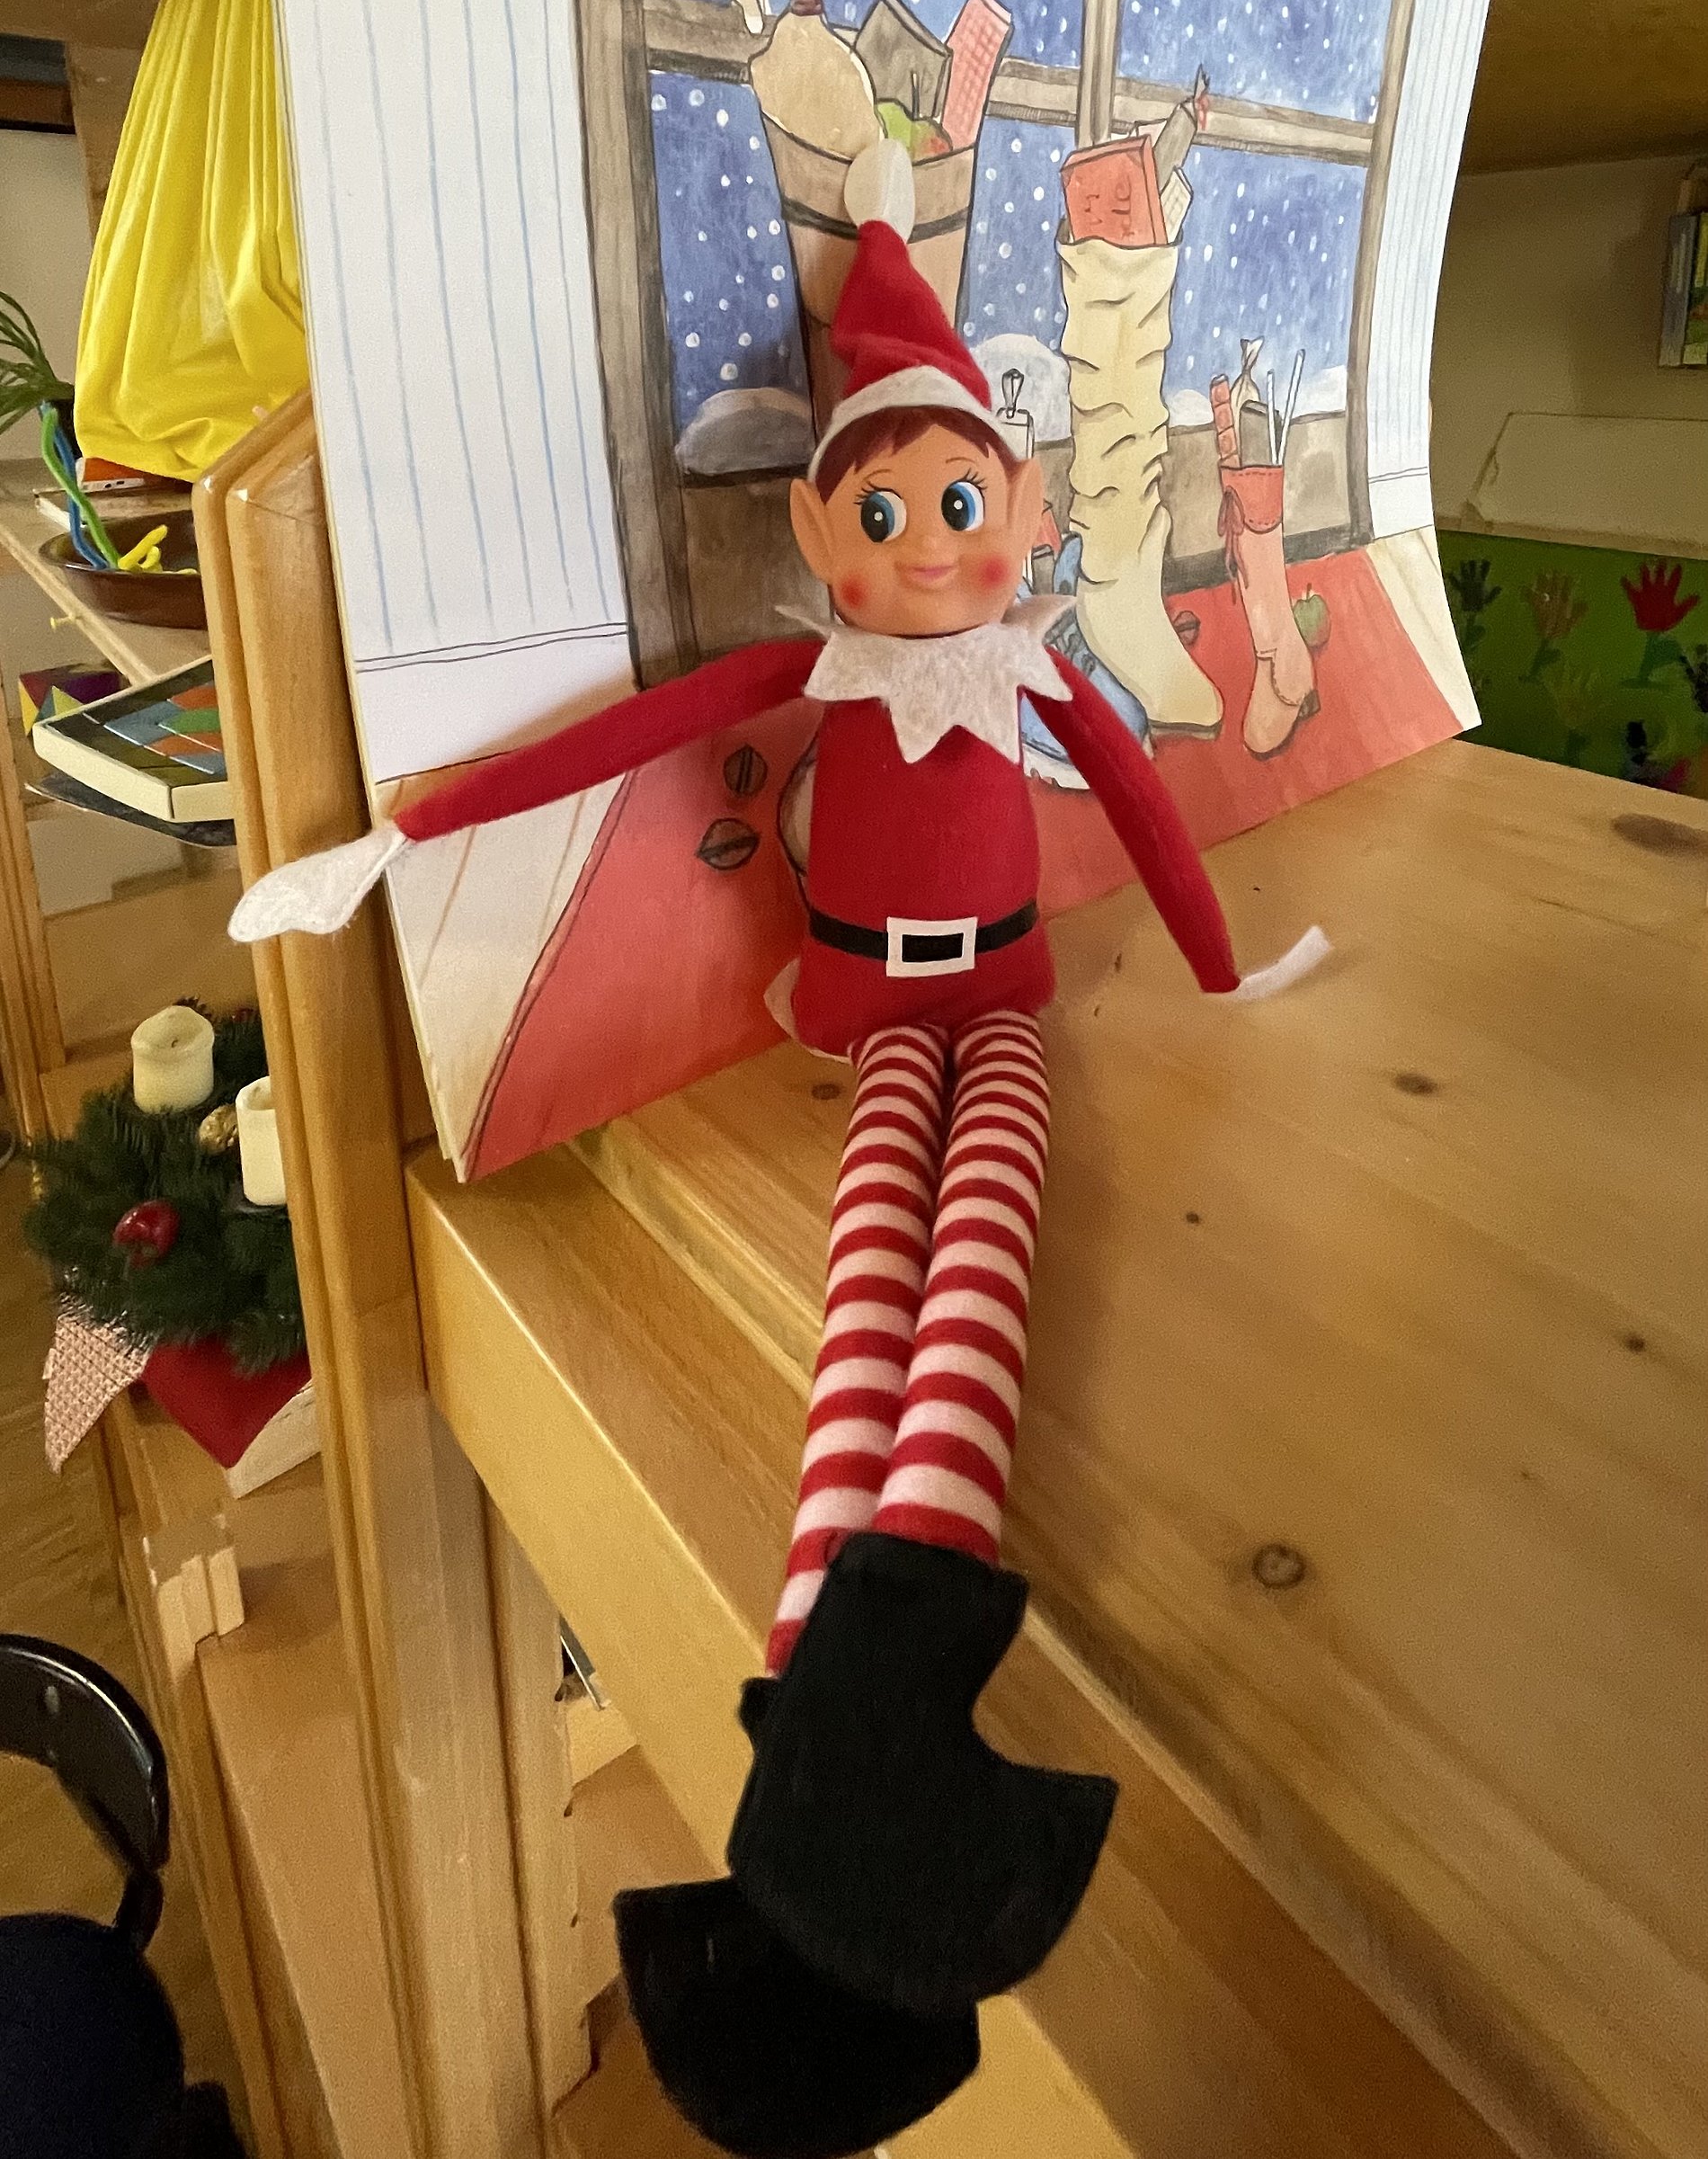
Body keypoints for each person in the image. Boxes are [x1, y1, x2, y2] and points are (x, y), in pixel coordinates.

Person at [236, 140, 1322, 2158]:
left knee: (973, 1244)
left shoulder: (1032, 668)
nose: (929, 543)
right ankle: (838, 1810)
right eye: (884, 511)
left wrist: (1226, 968)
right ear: (824, 531)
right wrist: (398, 836)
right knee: (866, 1280)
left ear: (1017, 510)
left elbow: (1150, 818)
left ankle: (836, 1784)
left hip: (1003, 998)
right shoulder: (807, 668)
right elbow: (600, 745)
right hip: (857, 1015)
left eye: (960, 502)